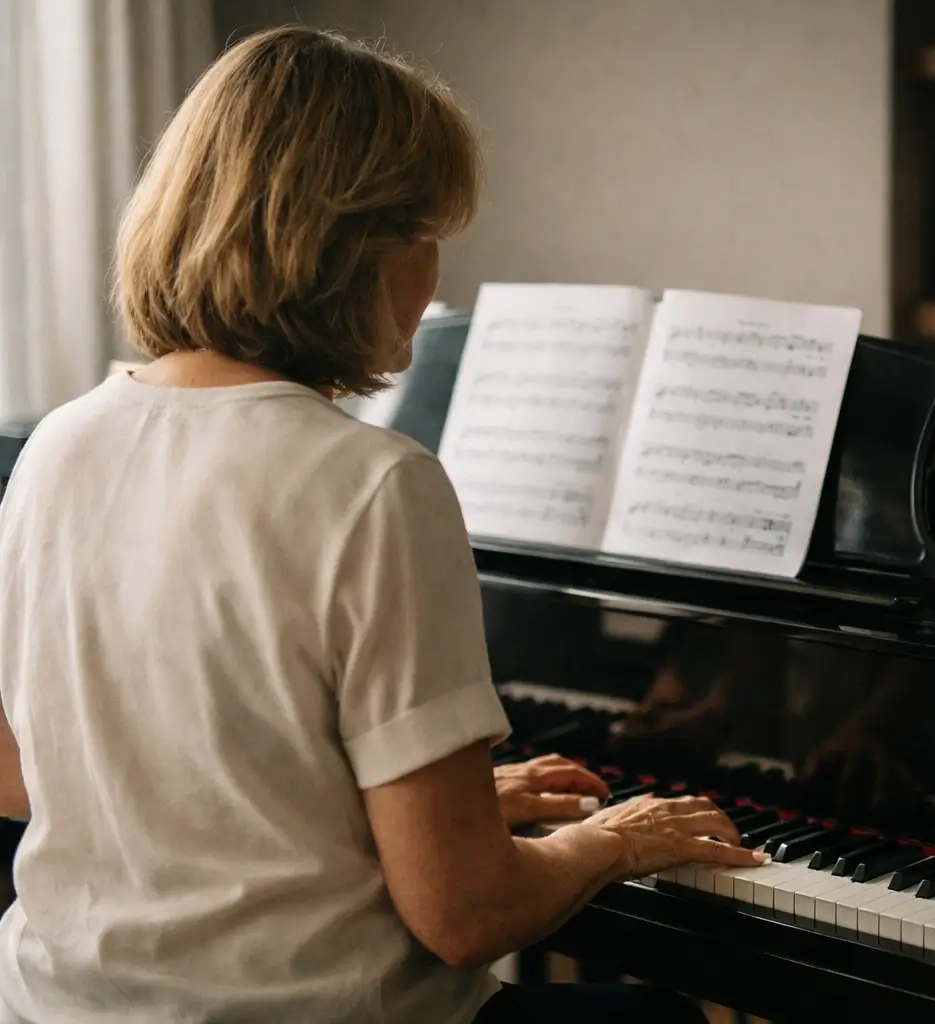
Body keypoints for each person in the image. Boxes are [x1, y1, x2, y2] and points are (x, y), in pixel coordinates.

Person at [0, 26, 762, 1024]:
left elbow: (27, 773)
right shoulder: (373, 485)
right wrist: (611, 837)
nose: (435, 270)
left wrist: (396, 811)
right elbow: (468, 913)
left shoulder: (58, 442)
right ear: (351, 249)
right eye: (426, 230)